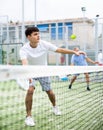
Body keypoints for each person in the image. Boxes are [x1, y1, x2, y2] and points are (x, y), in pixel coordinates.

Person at [19, 27, 85, 127]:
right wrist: (28, 74)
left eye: (38, 33)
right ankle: (28, 117)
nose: (38, 36)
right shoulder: (24, 49)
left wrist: (74, 52)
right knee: (30, 91)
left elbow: (59, 49)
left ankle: (55, 107)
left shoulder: (44, 44)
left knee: (49, 91)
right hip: (31, 71)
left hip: (43, 71)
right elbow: (25, 63)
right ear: (28, 37)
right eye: (35, 34)